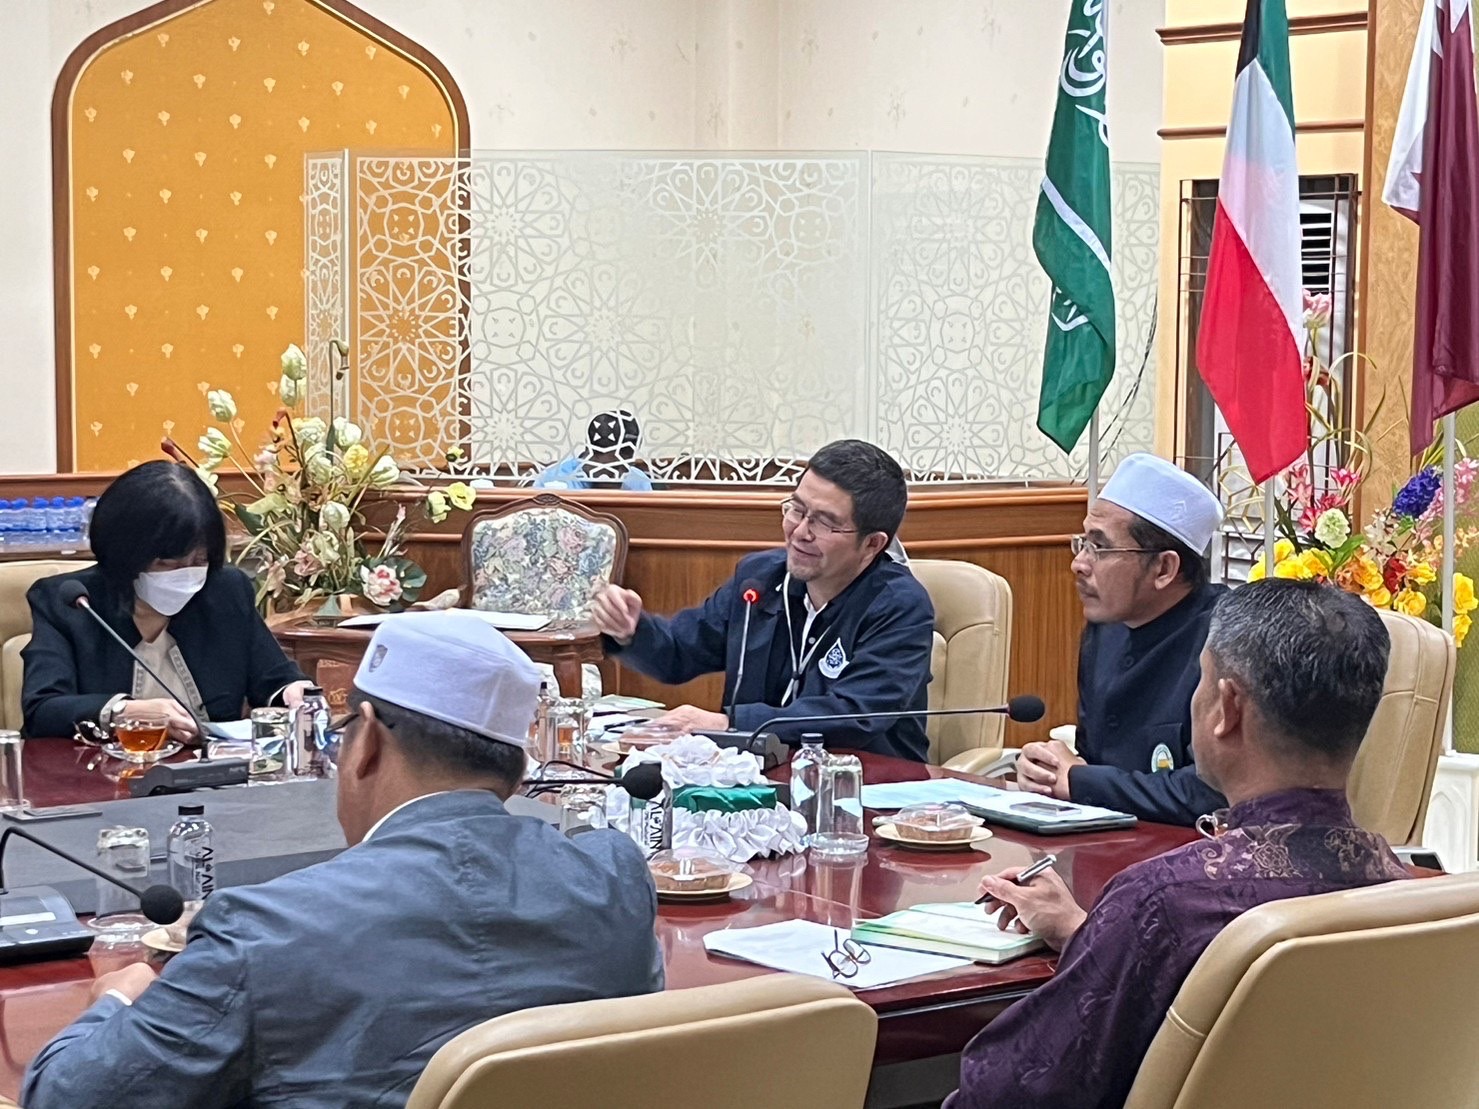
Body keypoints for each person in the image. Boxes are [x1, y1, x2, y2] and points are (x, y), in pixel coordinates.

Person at [22, 612, 663, 1108]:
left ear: (367, 742)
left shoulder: (264, 930)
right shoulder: (612, 875)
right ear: (517, 769)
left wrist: (117, 1000)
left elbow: (65, 1097)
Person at [947, 580, 1410, 1109]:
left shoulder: (1166, 900)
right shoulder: (1404, 892)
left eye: (1201, 678)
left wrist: (1122, 929)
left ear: (1227, 707)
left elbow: (1009, 1090)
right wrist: (1087, 931)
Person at [592, 439, 934, 760]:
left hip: (867, 786)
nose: (800, 532)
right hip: (755, 781)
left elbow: (853, 715)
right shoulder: (760, 579)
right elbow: (679, 653)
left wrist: (729, 724)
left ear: (872, 544)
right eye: (797, 510)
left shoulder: (900, 607)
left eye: (825, 523)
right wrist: (631, 630)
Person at [22, 461, 310, 741]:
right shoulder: (71, 602)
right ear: (126, 554)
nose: (185, 574)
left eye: (199, 560)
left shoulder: (226, 591)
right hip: (104, 768)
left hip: (213, 768)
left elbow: (275, 679)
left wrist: (293, 692)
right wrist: (125, 712)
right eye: (166, 563)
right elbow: (42, 710)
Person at [1016, 453, 1229, 824]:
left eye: (1100, 548)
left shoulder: (1229, 640)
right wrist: (1048, 771)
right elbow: (1089, 759)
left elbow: (1213, 791)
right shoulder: (1105, 629)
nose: (1079, 564)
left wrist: (1082, 782)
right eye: (1083, 543)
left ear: (1164, 568)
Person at [533, 407, 654, 491]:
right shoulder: (554, 482)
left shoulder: (638, 481)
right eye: (614, 468)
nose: (622, 475)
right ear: (590, 453)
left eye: (627, 466)